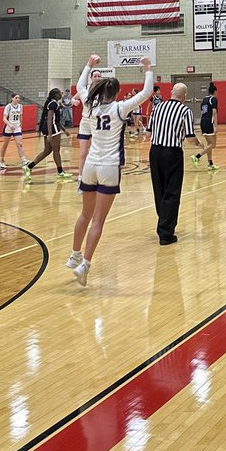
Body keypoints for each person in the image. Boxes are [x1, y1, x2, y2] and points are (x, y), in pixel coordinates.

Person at [67, 55, 154, 286]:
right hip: (109, 167)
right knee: (97, 221)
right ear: (115, 93)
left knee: (84, 214)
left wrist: (88, 64)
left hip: (90, 166)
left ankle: (74, 254)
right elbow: (146, 93)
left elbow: (80, 86)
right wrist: (147, 68)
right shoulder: (121, 108)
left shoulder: (91, 105)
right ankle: (84, 264)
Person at [148, 82, 199, 245]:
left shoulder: (158, 108)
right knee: (172, 191)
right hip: (172, 154)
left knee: (159, 189)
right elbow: (190, 138)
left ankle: (163, 223)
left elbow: (149, 131)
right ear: (184, 96)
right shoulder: (185, 111)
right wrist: (199, 144)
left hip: (155, 151)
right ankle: (166, 233)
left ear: (171, 92)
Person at [27, 88, 73, 179]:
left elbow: (57, 120)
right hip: (51, 128)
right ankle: (60, 172)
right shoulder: (53, 103)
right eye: (60, 92)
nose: (61, 94)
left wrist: (64, 130)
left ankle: (29, 167)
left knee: (47, 151)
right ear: (56, 95)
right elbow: (49, 119)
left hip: (47, 127)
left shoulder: (54, 103)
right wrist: (50, 133)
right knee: (56, 151)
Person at [73, 56, 104, 177]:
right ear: (91, 78)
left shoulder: (104, 90)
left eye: (98, 76)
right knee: (83, 153)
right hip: (85, 123)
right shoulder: (85, 89)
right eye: (95, 76)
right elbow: (73, 98)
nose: (97, 78)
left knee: (97, 152)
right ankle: (80, 177)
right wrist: (73, 101)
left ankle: (95, 175)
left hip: (97, 123)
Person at [0, 93, 29, 172]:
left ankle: (23, 160)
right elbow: (4, 118)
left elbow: (20, 117)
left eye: (19, 98)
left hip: (17, 127)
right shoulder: (8, 107)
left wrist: (20, 126)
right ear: (12, 98)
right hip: (8, 127)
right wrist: (9, 124)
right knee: (5, 145)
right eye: (16, 98)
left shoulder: (20, 106)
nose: (18, 99)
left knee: (19, 144)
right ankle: (1, 160)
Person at [191, 82, 218, 170]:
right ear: (215, 92)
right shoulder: (213, 99)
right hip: (209, 122)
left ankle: (210, 163)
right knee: (213, 144)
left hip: (203, 121)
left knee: (209, 144)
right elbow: (214, 112)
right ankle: (197, 156)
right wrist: (216, 125)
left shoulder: (204, 99)